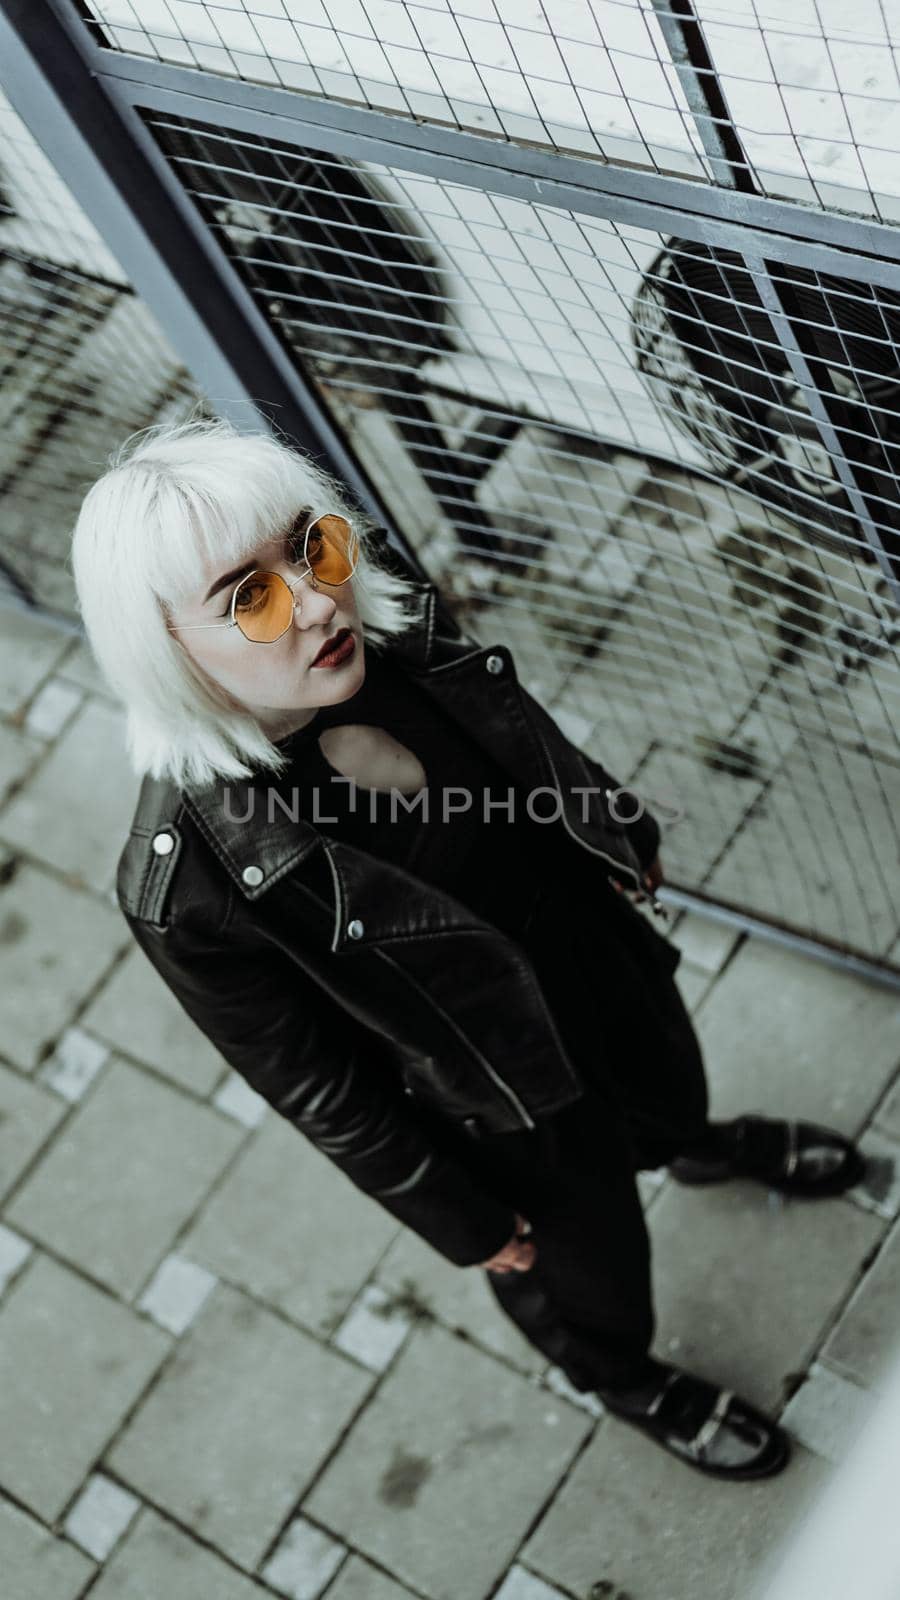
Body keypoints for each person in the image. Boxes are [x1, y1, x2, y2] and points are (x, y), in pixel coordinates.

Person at [71, 416, 865, 1484]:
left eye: (309, 545)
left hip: (583, 947)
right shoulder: (193, 882)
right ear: (167, 650)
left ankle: (692, 1141)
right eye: (245, 598)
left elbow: (513, 723)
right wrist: (460, 1215)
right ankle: (620, 1374)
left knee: (670, 1075)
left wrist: (609, 819)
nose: (314, 601)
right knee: (592, 1267)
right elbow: (313, 1083)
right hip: (498, 1092)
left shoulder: (376, 621)